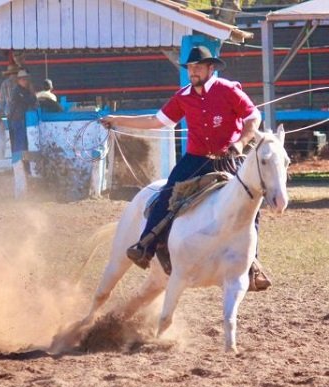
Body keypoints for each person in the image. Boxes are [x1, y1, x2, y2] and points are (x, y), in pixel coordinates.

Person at [100, 45, 270, 291]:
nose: (193, 71)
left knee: (250, 202)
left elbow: (253, 117)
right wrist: (117, 120)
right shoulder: (183, 96)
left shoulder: (229, 90)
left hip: (228, 157)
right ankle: (145, 245)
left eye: (198, 67)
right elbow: (156, 121)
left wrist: (240, 143)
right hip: (195, 159)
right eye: (190, 67)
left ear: (210, 68)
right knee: (166, 194)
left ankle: (252, 264)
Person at [8, 69, 38, 197]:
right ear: (19, 80)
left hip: (20, 121)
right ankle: (21, 170)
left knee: (22, 146)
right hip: (18, 121)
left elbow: (32, 100)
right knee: (20, 146)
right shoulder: (18, 91)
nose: (25, 81)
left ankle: (23, 170)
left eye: (26, 79)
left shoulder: (22, 91)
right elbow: (30, 101)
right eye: (23, 79)